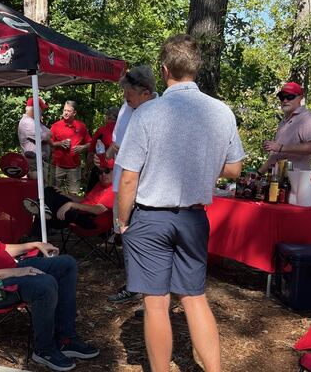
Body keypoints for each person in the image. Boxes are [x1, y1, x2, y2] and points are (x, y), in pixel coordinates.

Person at [116, 35, 244, 372]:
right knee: (194, 297)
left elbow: (129, 177)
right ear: (195, 68)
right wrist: (198, 163)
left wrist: (122, 221)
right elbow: (233, 169)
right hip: (193, 218)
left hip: (151, 218)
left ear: (165, 69)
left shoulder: (148, 113)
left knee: (156, 305)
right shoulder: (221, 111)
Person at [0, 177, 99, 371]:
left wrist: (33, 245)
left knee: (66, 264)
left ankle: (66, 338)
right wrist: (17, 271)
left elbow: (1, 248)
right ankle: (44, 349)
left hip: (9, 271)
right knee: (44, 284)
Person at [107, 65, 157, 304]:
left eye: (130, 95)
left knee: (144, 238)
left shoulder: (159, 111)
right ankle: (134, 284)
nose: (126, 100)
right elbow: (117, 139)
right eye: (125, 95)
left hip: (145, 186)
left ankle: (148, 290)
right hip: (122, 181)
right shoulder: (127, 108)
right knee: (126, 235)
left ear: (146, 92)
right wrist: (112, 148)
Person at [24, 160, 115, 239]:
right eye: (100, 172)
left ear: (115, 172)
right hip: (79, 214)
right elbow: (86, 200)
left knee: (47, 207)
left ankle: (35, 237)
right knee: (51, 190)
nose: (103, 174)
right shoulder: (100, 185)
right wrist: (67, 195)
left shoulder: (114, 189)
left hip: (92, 221)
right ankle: (41, 215)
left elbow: (99, 210)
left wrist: (71, 204)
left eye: (107, 171)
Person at [257, 81, 311, 174]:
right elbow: (276, 155)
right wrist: (258, 173)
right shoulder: (284, 120)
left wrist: (281, 147)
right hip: (277, 180)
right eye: (282, 97)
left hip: (295, 181)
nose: (285, 101)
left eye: (290, 97)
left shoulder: (307, 117)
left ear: (300, 98)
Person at [50, 100, 91, 196]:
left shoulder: (81, 126)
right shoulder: (56, 126)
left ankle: (70, 210)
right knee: (54, 192)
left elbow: (90, 143)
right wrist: (60, 144)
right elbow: (49, 143)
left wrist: (82, 148)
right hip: (57, 166)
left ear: (74, 113)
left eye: (68, 111)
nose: (65, 112)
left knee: (73, 195)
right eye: (64, 110)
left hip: (74, 167)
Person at [84, 106, 118, 191]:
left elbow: (91, 153)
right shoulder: (125, 131)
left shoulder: (102, 131)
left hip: (102, 169)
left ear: (107, 117)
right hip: (118, 171)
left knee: (92, 195)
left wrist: (86, 170)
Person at [17, 97, 52, 179]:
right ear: (34, 109)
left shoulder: (34, 121)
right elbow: (47, 137)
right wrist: (48, 133)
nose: (42, 112)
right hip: (34, 165)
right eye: (41, 109)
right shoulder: (28, 123)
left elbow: (49, 133)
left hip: (38, 164)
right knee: (36, 190)